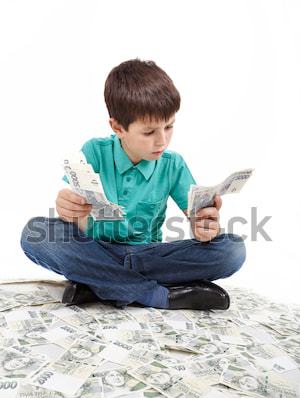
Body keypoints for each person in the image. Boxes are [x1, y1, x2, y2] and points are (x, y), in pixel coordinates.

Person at [20, 58, 246, 310]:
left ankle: (99, 284)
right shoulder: (94, 152)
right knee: (34, 233)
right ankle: (156, 295)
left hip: (150, 256)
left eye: (169, 126)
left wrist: (205, 226)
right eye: (149, 132)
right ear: (117, 127)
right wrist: (68, 209)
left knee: (232, 249)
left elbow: (197, 224)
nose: (162, 141)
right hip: (98, 250)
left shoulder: (173, 165)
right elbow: (78, 222)